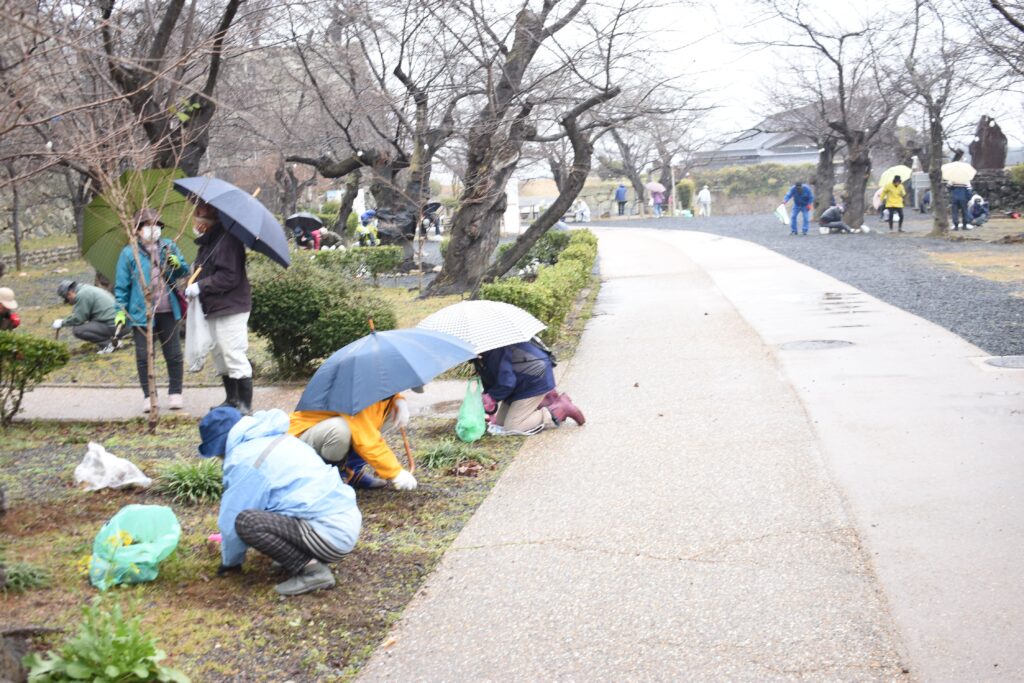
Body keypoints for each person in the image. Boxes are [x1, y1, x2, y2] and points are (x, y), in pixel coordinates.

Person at [199, 406, 361, 596]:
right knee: (268, 505)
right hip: (345, 521)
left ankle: (313, 571)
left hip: (329, 534)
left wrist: (230, 563)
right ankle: (303, 556)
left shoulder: (243, 458)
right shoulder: (275, 437)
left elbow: (233, 517)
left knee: (247, 522)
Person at [115, 208, 189, 413]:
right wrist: (120, 310)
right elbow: (121, 286)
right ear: (138, 230)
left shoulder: (168, 246)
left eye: (156, 224)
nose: (153, 229)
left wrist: (177, 263)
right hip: (141, 312)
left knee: (173, 353)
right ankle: (149, 396)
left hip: (167, 309)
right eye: (147, 225)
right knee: (143, 356)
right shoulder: (129, 253)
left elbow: (184, 270)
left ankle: (175, 393)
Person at [184, 200, 255, 414]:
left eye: (198, 215)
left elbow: (229, 276)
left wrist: (200, 286)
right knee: (220, 356)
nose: (194, 221)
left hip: (230, 307)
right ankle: (231, 399)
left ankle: (245, 405)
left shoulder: (227, 240)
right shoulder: (209, 242)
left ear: (208, 220)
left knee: (233, 354)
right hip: (214, 307)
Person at [289, 394, 418, 491]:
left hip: (325, 433)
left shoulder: (372, 384)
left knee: (392, 411)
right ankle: (332, 479)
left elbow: (368, 430)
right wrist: (395, 472)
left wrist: (398, 399)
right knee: (341, 429)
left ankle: (352, 471)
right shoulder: (356, 394)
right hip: (300, 442)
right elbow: (366, 439)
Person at [475, 340, 584, 435]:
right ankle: (542, 403)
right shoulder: (480, 355)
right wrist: (490, 406)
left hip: (534, 379)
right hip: (519, 384)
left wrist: (492, 397)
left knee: (514, 427)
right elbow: (491, 380)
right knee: (500, 423)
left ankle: (560, 409)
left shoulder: (495, 348)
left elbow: (507, 382)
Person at [52, 280, 121, 353]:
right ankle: (116, 342)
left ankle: (108, 345)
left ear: (69, 294)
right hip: (122, 324)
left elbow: (78, 319)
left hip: (115, 325)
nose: (70, 302)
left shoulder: (82, 295)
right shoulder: (86, 289)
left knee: (78, 330)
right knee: (91, 324)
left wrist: (62, 322)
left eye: (67, 300)